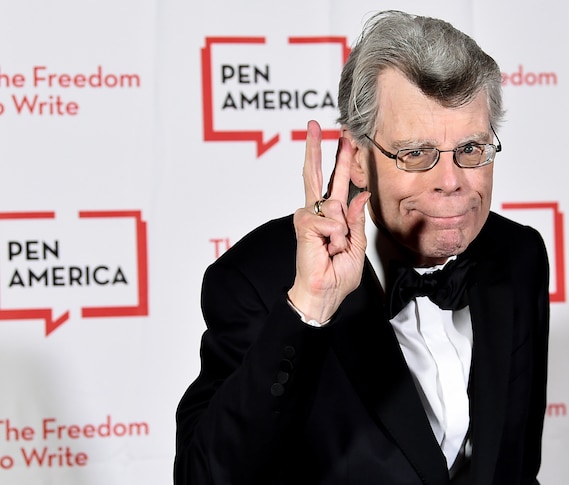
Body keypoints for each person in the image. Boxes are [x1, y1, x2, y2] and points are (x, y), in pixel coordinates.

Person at [175, 10, 549, 484]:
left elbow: (515, 469)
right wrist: (308, 310)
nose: (452, 182)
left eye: (472, 149)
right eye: (417, 153)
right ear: (356, 159)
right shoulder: (259, 280)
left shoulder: (519, 257)